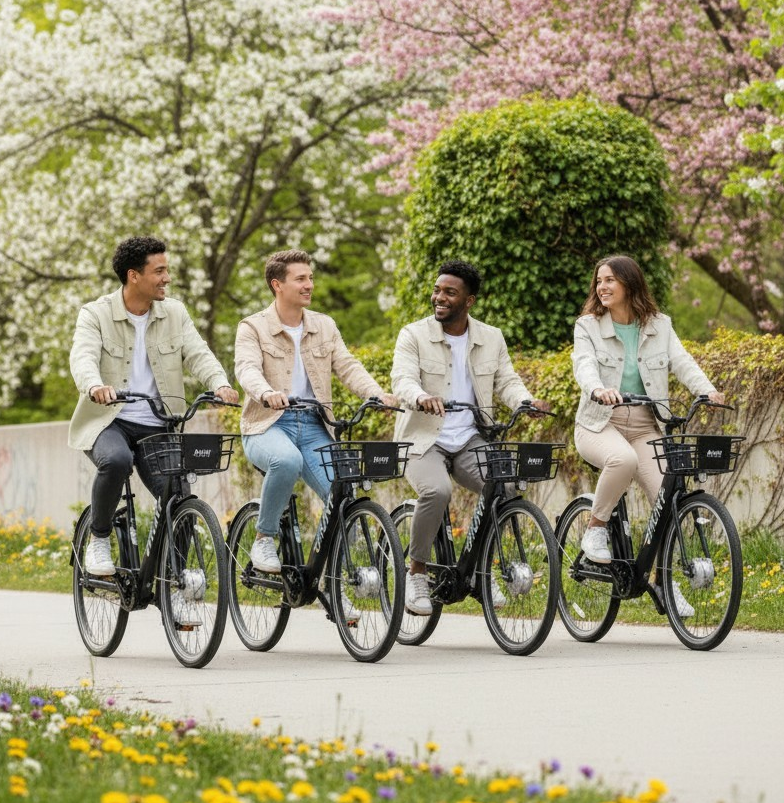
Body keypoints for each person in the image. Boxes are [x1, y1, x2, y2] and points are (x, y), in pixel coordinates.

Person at [69, 235, 238, 618]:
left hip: (159, 425)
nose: (167, 277)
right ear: (134, 276)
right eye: (159, 271)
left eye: (166, 269)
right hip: (108, 420)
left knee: (176, 492)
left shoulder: (173, 313)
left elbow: (198, 353)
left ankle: (171, 581)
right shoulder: (95, 314)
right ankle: (99, 539)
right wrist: (94, 385)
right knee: (115, 461)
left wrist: (220, 383)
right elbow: (82, 356)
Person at [234, 249, 396, 617]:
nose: (309, 284)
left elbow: (348, 365)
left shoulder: (324, 325)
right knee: (286, 461)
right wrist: (265, 393)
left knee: (344, 496)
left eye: (310, 277)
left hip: (314, 425)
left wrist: (376, 393)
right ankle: (264, 538)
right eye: (300, 279)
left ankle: (333, 583)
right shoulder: (252, 326)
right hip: (267, 424)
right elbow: (246, 368)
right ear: (278, 285)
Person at [391, 259, 549, 616]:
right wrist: (419, 397)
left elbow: (506, 380)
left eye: (450, 292)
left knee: (504, 488)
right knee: (437, 491)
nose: (439, 298)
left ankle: (480, 569)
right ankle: (416, 571)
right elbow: (402, 379)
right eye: (437, 290)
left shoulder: (490, 337)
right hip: (423, 439)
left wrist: (525, 401)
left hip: (469, 439)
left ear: (469, 301)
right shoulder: (413, 334)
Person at [572, 254, 723, 612]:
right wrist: (596, 388)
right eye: (599, 281)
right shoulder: (588, 326)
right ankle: (595, 528)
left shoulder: (659, 325)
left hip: (645, 424)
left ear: (630, 284)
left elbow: (682, 361)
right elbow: (584, 363)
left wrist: (707, 389)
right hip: (599, 422)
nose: (602, 287)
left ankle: (663, 580)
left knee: (668, 500)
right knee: (620, 459)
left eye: (610, 280)